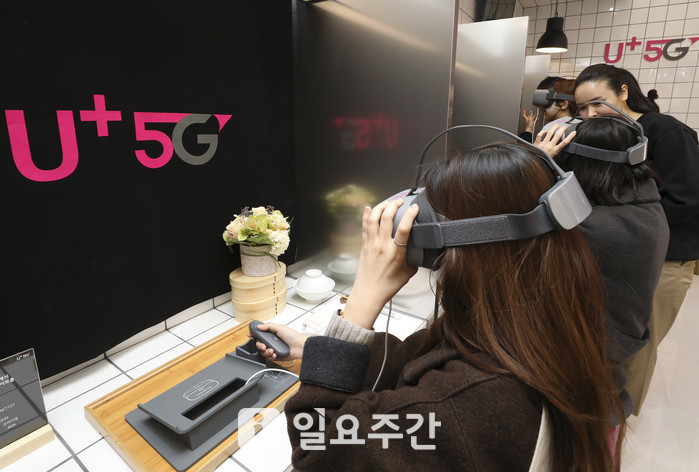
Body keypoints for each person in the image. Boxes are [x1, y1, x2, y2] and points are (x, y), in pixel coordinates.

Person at [252, 141, 624, 470]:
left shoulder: (467, 409)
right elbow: (424, 360)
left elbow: (316, 449)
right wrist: (320, 348)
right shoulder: (544, 319)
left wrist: (364, 294)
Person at [573, 63, 699, 416]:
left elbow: (687, 197)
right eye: (582, 108)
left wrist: (627, 228)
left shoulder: (666, 132)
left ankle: (617, 423)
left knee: (640, 345)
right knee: (611, 343)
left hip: (664, 259)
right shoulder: (608, 135)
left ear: (624, 92)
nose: (589, 114)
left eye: (597, 103)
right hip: (616, 256)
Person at [540, 117, 670, 420]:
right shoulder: (645, 202)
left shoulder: (595, 228)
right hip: (614, 345)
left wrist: (537, 164)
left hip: (585, 363)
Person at [520, 76, 578, 142]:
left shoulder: (551, 129)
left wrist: (528, 131)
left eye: (547, 100)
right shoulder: (580, 126)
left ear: (563, 104)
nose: (541, 107)